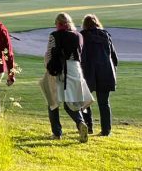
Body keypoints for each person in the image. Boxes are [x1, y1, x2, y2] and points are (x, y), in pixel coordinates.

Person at [40, 12, 94, 142]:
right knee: (72, 102)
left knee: (53, 101)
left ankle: (57, 133)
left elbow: (49, 54)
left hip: (59, 71)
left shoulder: (54, 35)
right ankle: (80, 123)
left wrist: (48, 68)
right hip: (75, 70)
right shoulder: (78, 36)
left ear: (57, 23)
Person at [81, 14, 119, 136]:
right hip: (105, 72)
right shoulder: (106, 35)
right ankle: (106, 130)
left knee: (85, 101)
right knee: (104, 103)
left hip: (88, 72)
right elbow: (114, 57)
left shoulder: (83, 35)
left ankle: (88, 126)